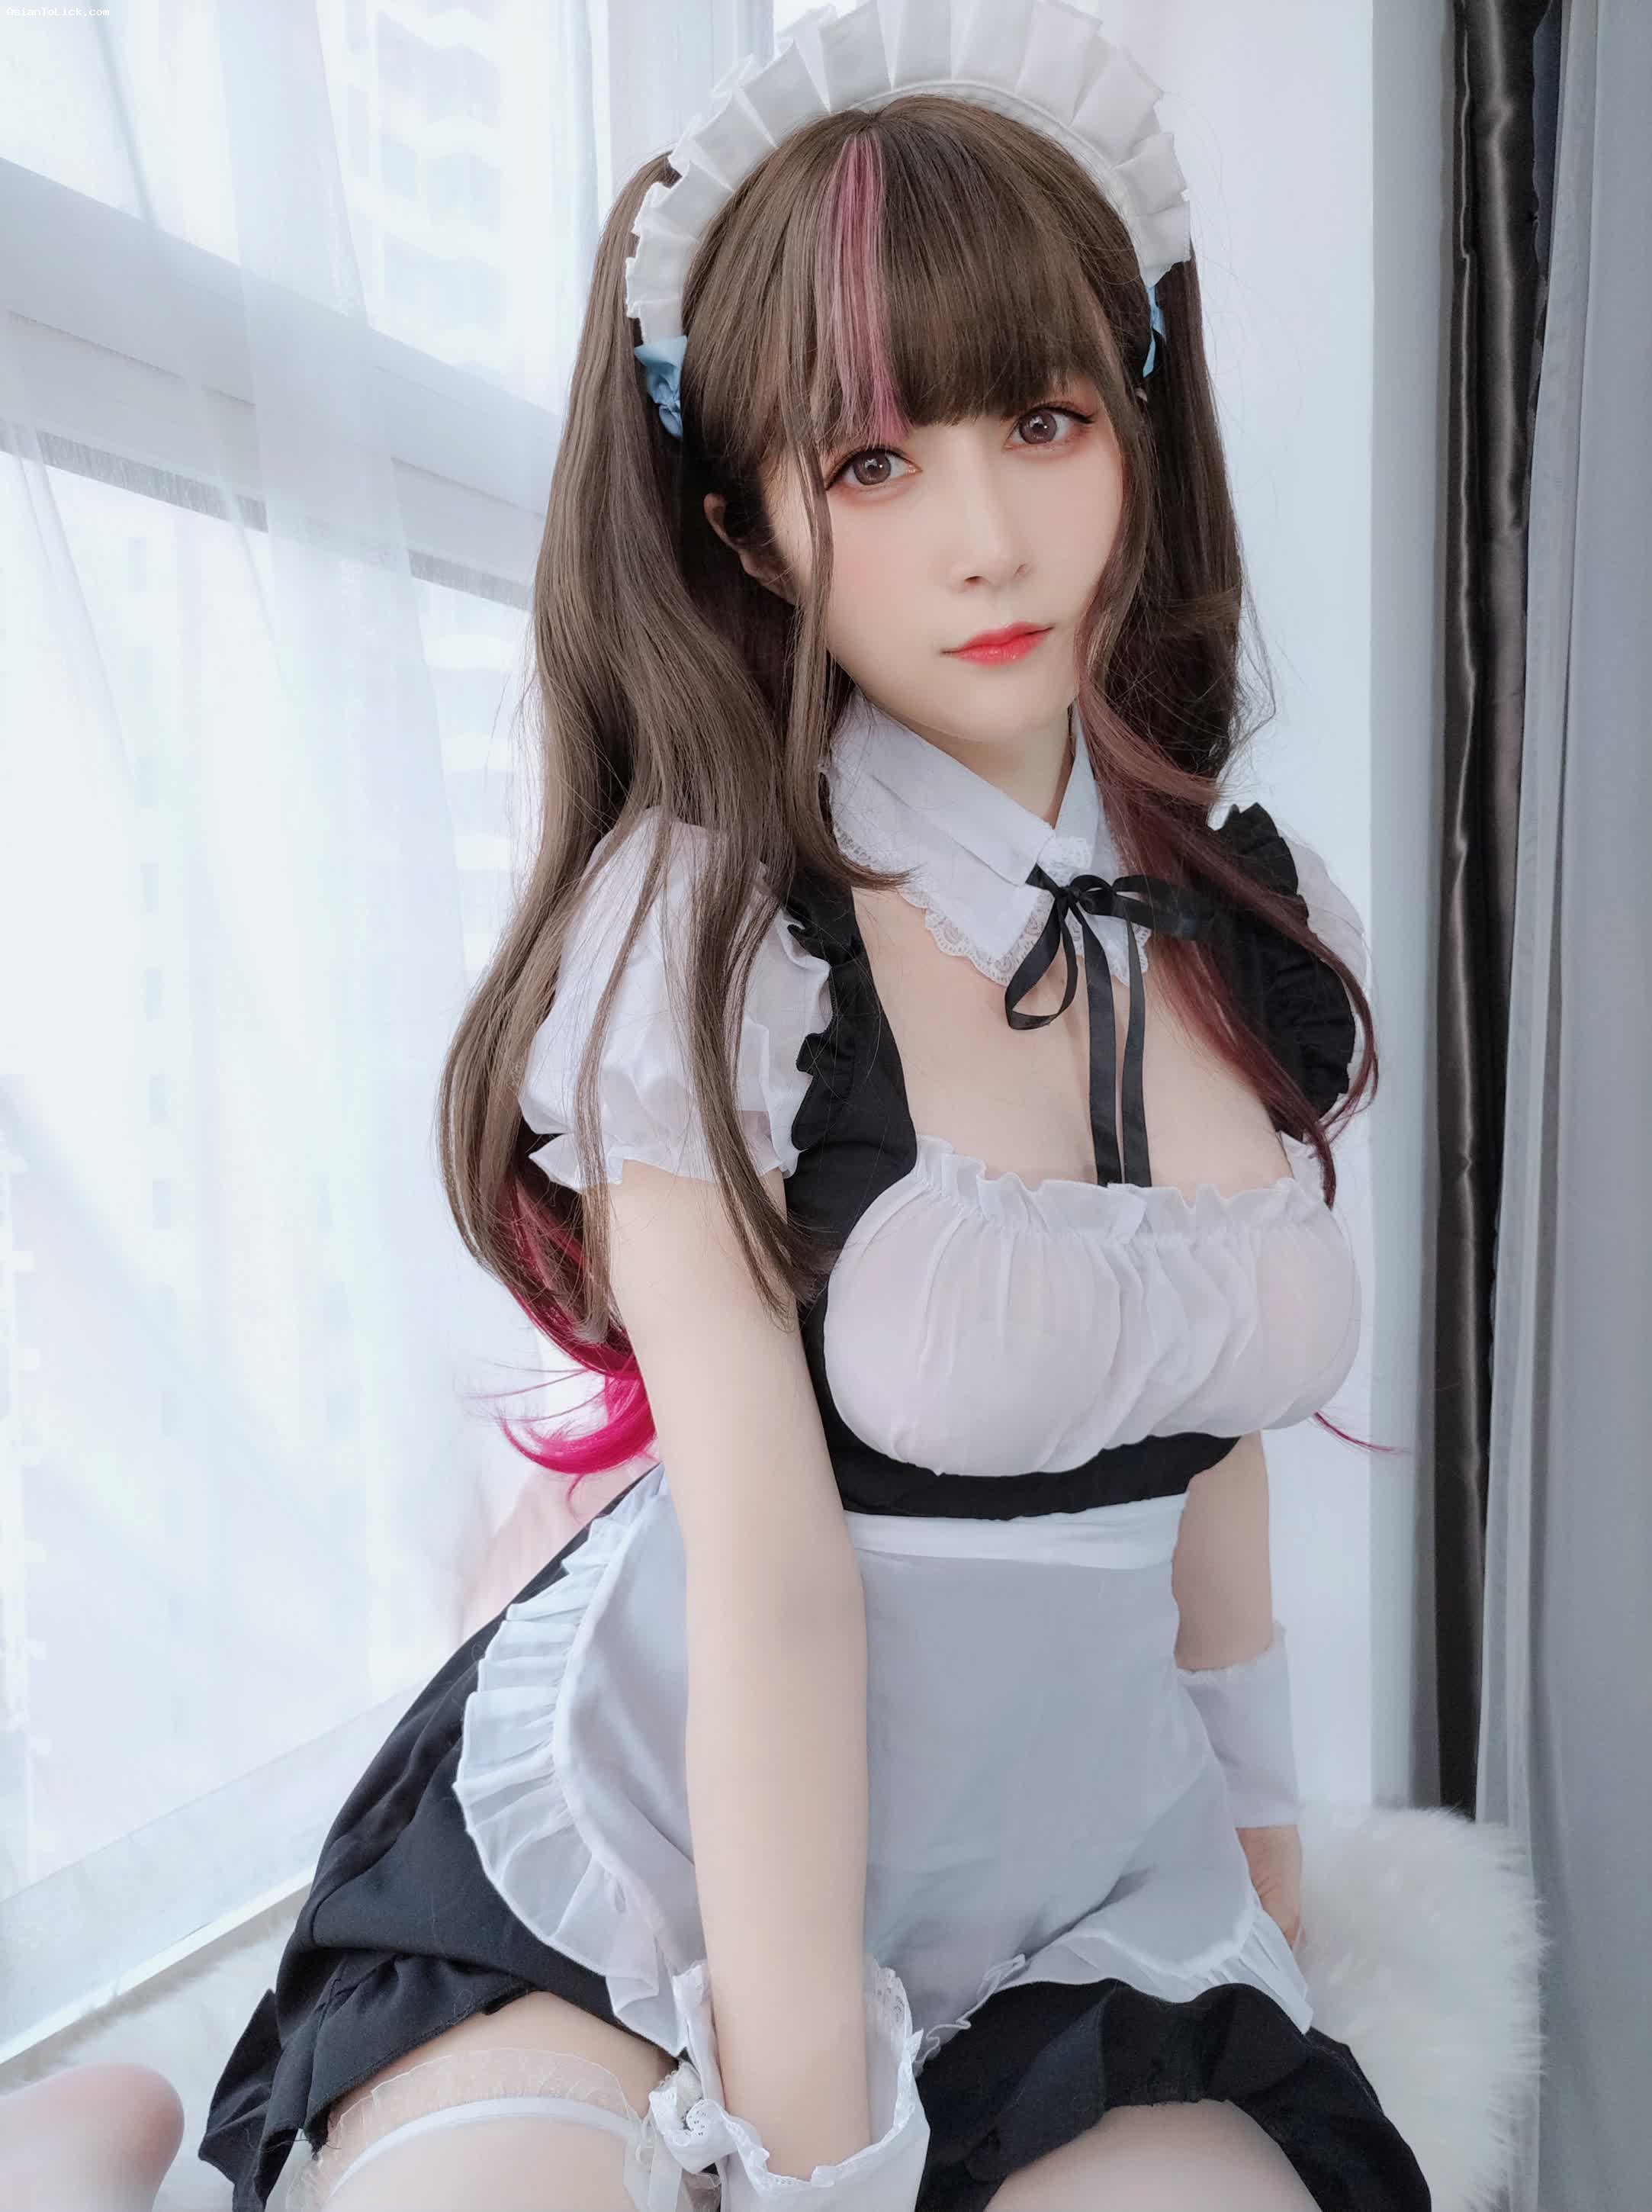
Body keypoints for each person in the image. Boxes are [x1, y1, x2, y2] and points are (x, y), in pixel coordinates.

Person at [12, 8, 1434, 2211]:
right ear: (751, 531)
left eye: (1043, 422)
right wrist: (817, 2157)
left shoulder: (1247, 921)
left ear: (1139, 431)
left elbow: (1212, 1450)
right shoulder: (713, 943)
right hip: (668, 1841)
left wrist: (1261, 1892)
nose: (987, 538)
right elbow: (773, 1586)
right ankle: (88, 2148)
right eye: (872, 465)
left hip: (1073, 1880)